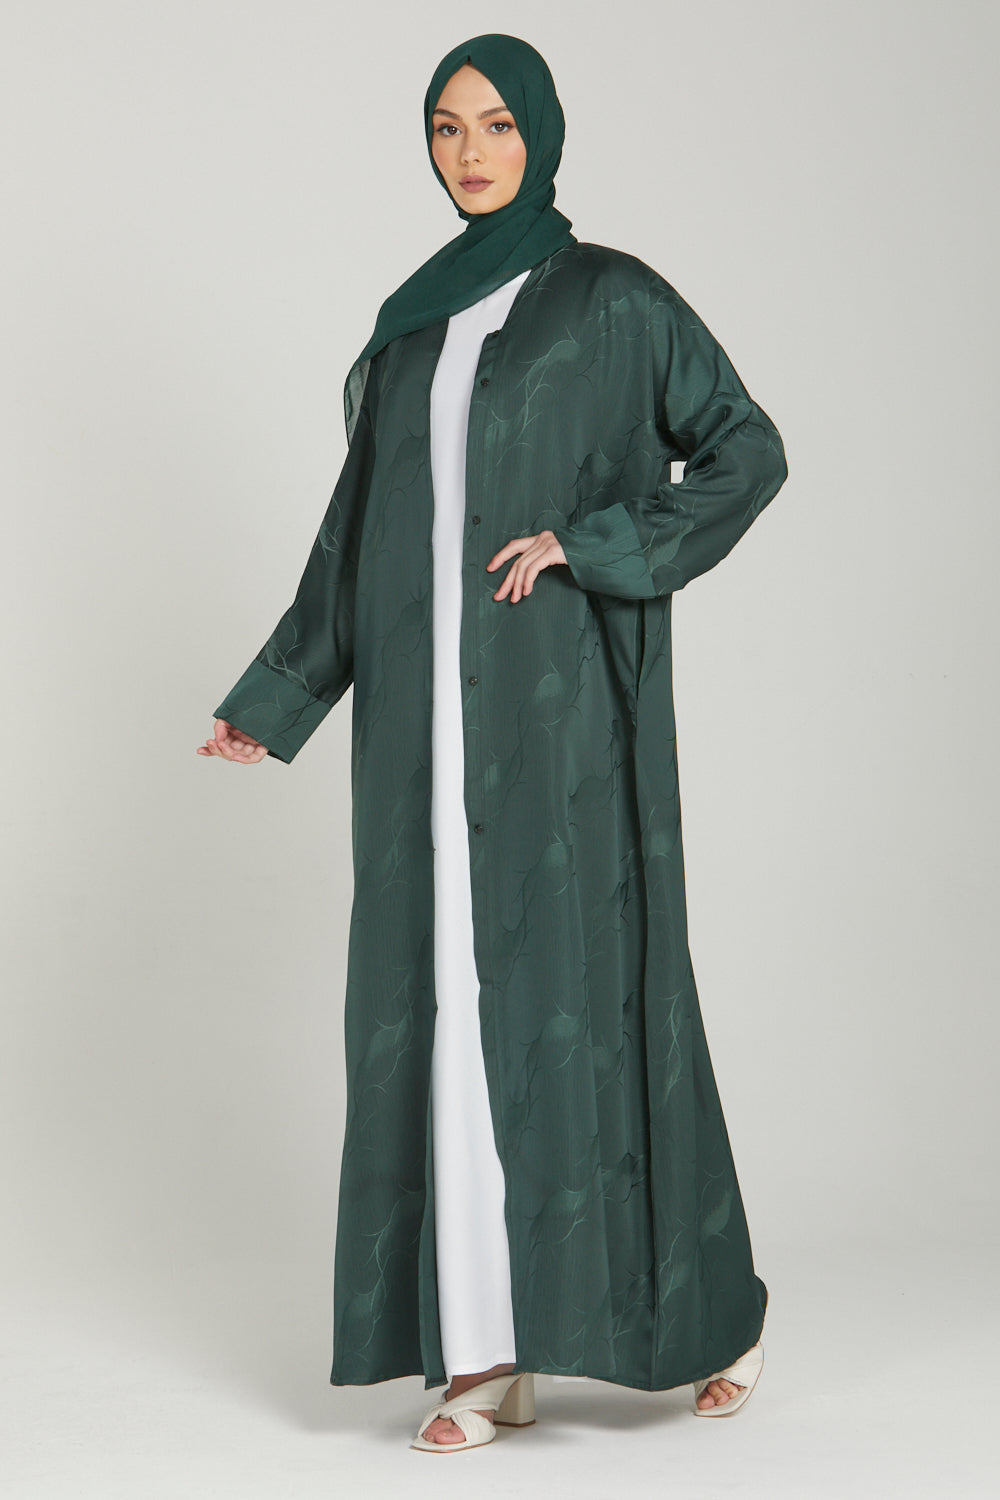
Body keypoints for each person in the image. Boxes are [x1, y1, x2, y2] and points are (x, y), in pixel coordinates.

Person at [198, 33, 788, 1454]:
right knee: (445, 1012)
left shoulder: (614, 302)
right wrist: (275, 697)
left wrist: (596, 544)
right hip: (419, 733)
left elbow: (746, 449)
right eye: (448, 128)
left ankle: (715, 1314)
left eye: (498, 125)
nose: (472, 152)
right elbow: (358, 535)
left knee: (597, 1001)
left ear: (544, 134)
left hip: (558, 719)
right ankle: (487, 1357)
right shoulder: (415, 326)